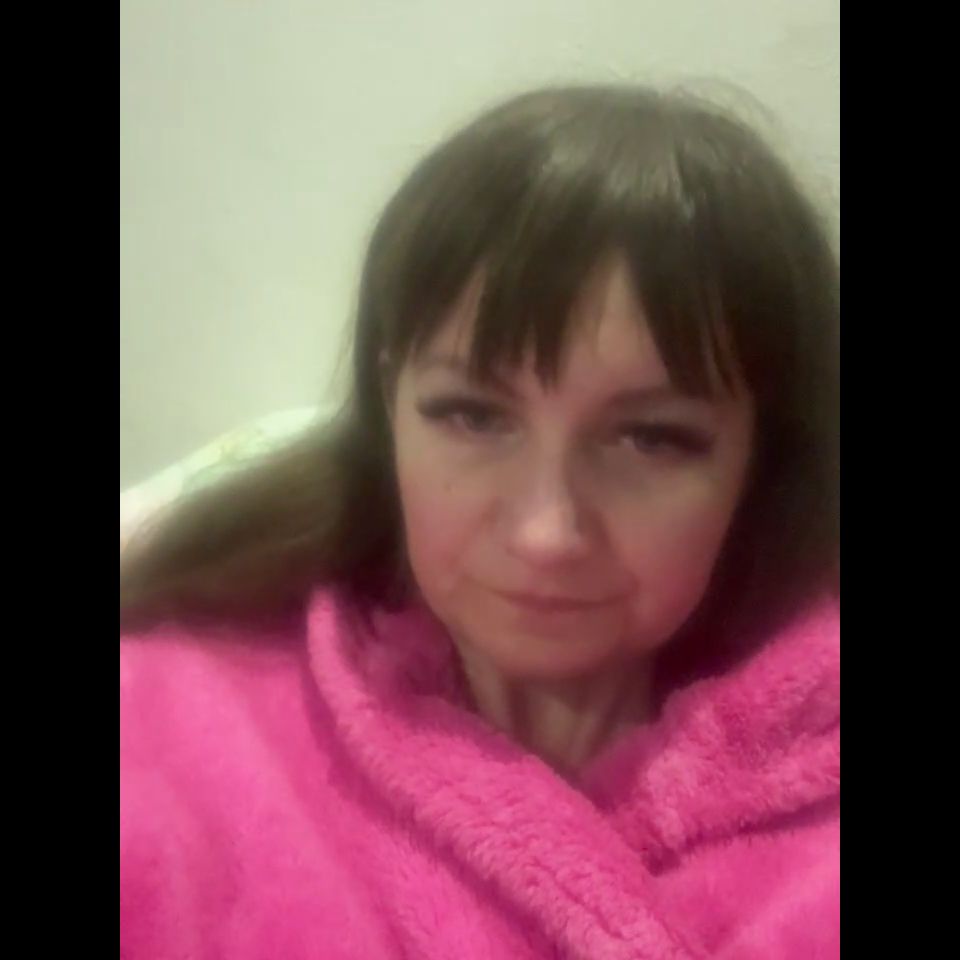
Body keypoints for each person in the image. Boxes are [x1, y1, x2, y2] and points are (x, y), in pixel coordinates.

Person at [120, 84, 839, 959]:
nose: (546, 532)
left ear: (763, 466)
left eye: (652, 438)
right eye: (471, 415)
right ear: (390, 406)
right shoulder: (159, 727)